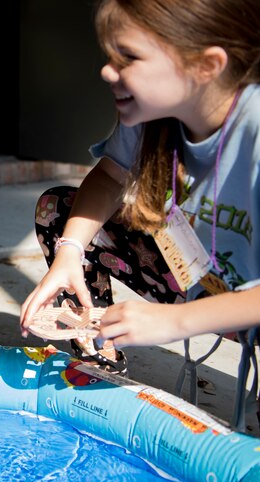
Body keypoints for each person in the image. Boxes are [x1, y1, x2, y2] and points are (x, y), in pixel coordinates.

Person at [20, 0, 260, 376]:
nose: (105, 71)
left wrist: (173, 321)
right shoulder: (153, 114)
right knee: (62, 211)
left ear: (206, 65)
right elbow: (109, 176)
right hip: (196, 280)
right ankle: (98, 362)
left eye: (128, 57)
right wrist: (69, 253)